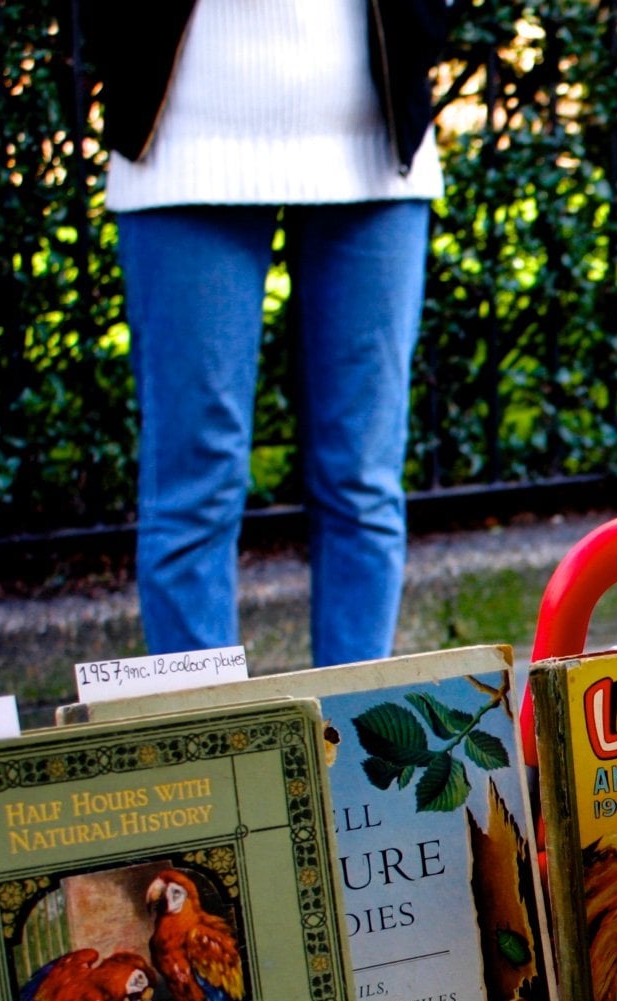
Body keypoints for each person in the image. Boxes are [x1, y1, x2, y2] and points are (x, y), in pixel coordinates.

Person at [83, 1, 452, 666]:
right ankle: (211, 751)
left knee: (364, 486)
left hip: (378, 147)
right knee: (195, 489)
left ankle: (358, 754)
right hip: (180, 147)